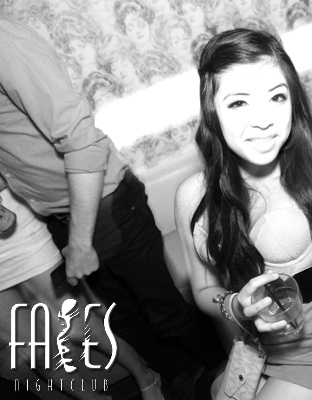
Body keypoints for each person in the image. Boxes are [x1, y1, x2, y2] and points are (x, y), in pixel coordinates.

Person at [0, 13, 225, 388]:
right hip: (58, 215)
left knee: (164, 311)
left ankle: (230, 378)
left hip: (103, 207)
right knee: (122, 320)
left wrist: (81, 242)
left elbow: (81, 140)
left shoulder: (4, 41)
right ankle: (185, 381)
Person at [175, 29, 312, 400]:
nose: (263, 120)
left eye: (276, 97)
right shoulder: (192, 198)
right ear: (212, 112)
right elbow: (203, 289)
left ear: (293, 102)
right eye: (238, 103)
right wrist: (235, 305)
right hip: (258, 347)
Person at [0, 185, 164, 400]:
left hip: (23, 238)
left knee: (79, 326)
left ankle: (147, 377)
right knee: (35, 353)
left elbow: (16, 170)